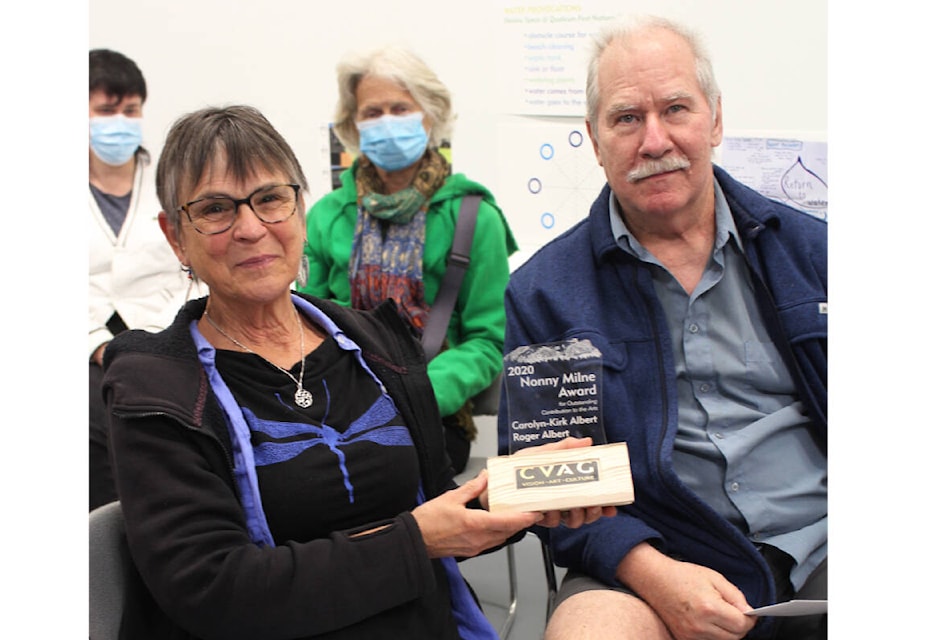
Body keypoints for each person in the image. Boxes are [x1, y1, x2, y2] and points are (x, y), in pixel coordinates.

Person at [101, 104, 614, 640]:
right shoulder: (156, 388)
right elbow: (216, 590)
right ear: (175, 235)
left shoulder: (376, 345)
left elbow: (434, 506)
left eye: (271, 199)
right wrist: (416, 540)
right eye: (215, 209)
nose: (251, 228)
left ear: (301, 207)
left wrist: (523, 490)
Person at [498, 16, 827, 640]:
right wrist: (650, 572)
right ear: (595, 142)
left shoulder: (816, 257)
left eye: (676, 108)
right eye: (626, 118)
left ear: (716, 120)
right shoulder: (544, 293)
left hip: (823, 541)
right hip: (651, 555)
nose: (654, 141)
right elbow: (540, 479)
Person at [301, 45, 516, 473]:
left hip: (432, 415)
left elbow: (488, 340)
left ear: (430, 115)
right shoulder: (325, 217)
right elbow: (306, 328)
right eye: (373, 112)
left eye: (400, 108)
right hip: (339, 411)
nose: (386, 122)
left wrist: (416, 394)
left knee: (368, 476)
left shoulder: (474, 215)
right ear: (353, 125)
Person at [88, 48, 192, 511]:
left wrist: (167, 338)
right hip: (90, 353)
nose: (120, 122)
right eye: (106, 111)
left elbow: (194, 266)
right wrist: (94, 343)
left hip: (168, 338)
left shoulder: (170, 182)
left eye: (130, 110)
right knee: (101, 423)